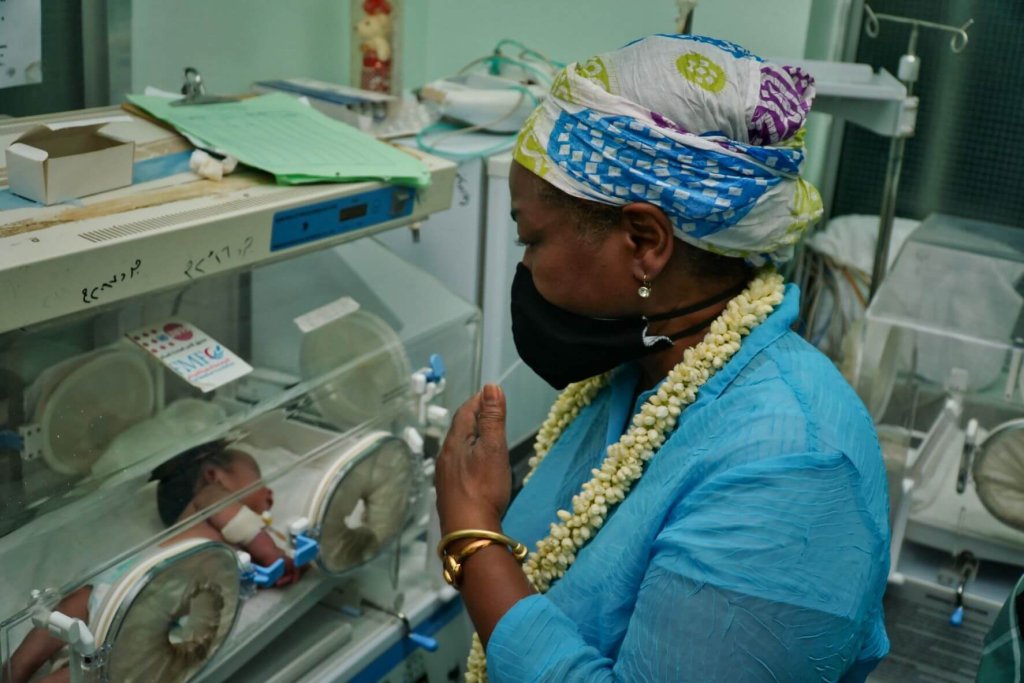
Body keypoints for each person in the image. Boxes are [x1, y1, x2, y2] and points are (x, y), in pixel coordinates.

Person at [434, 34, 891, 682]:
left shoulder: (794, 466)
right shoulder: (637, 365)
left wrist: (474, 536)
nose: (524, 266)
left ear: (646, 241)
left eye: (532, 238)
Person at [9, 440, 300, 683]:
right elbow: (241, 525)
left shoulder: (243, 541)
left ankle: (21, 671)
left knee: (96, 657)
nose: (270, 492)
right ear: (214, 476)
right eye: (259, 480)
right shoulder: (211, 499)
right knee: (75, 614)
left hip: (147, 604)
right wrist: (274, 553)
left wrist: (285, 565)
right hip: (139, 586)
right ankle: (14, 671)